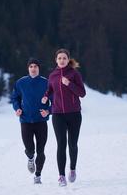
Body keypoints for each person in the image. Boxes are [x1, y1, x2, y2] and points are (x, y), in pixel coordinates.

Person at [41, 48, 86, 187]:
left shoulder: (74, 74)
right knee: (61, 144)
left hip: (74, 114)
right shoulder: (52, 75)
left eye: (64, 58)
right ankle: (61, 176)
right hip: (58, 114)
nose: (62, 60)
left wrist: (69, 84)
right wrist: (45, 96)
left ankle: (72, 169)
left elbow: (82, 93)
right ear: (56, 60)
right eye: (59, 58)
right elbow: (50, 89)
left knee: (72, 144)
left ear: (68, 60)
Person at [11, 58, 50, 184]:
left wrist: (48, 110)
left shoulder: (46, 83)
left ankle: (38, 175)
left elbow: (55, 100)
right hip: (26, 121)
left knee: (41, 150)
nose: (33, 68)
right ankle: (30, 157)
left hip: (41, 121)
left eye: (35, 66)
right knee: (29, 148)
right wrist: (17, 108)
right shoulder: (20, 82)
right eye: (31, 66)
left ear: (39, 68)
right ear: (28, 68)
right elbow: (15, 98)